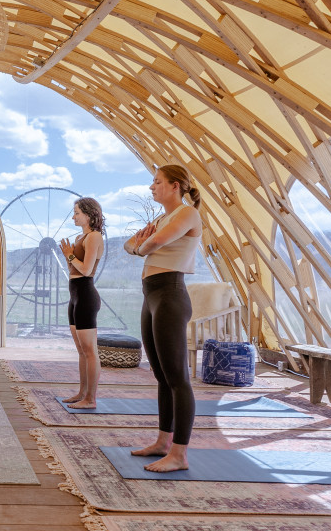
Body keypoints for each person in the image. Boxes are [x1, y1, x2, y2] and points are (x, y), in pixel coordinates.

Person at [123, 164, 202, 473]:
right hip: (151, 294)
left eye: (157, 182)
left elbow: (149, 244)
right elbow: (129, 245)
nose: (151, 187)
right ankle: (162, 442)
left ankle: (179, 455)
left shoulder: (186, 214)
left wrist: (142, 246)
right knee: (160, 375)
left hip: (170, 294)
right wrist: (140, 246)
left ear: (175, 186)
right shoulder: (161, 219)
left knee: (177, 378)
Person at [58, 197, 105, 409]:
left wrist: (69, 255)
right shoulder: (80, 237)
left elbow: (85, 270)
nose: (73, 216)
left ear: (88, 214)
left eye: (77, 212)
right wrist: (68, 256)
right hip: (75, 294)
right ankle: (82, 393)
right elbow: (73, 270)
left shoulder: (94, 237)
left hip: (86, 295)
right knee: (81, 350)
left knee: (89, 350)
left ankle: (91, 399)